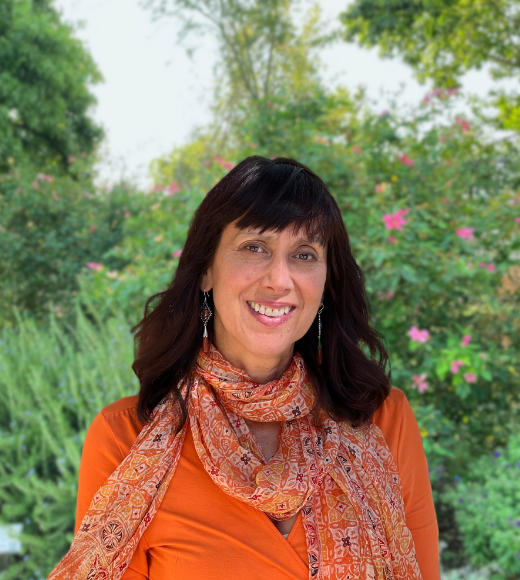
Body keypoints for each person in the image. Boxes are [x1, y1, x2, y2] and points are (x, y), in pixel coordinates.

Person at [48, 156, 440, 580]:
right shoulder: (125, 439)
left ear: (326, 283)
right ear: (204, 271)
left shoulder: (383, 421)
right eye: (254, 247)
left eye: (304, 254)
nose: (279, 279)